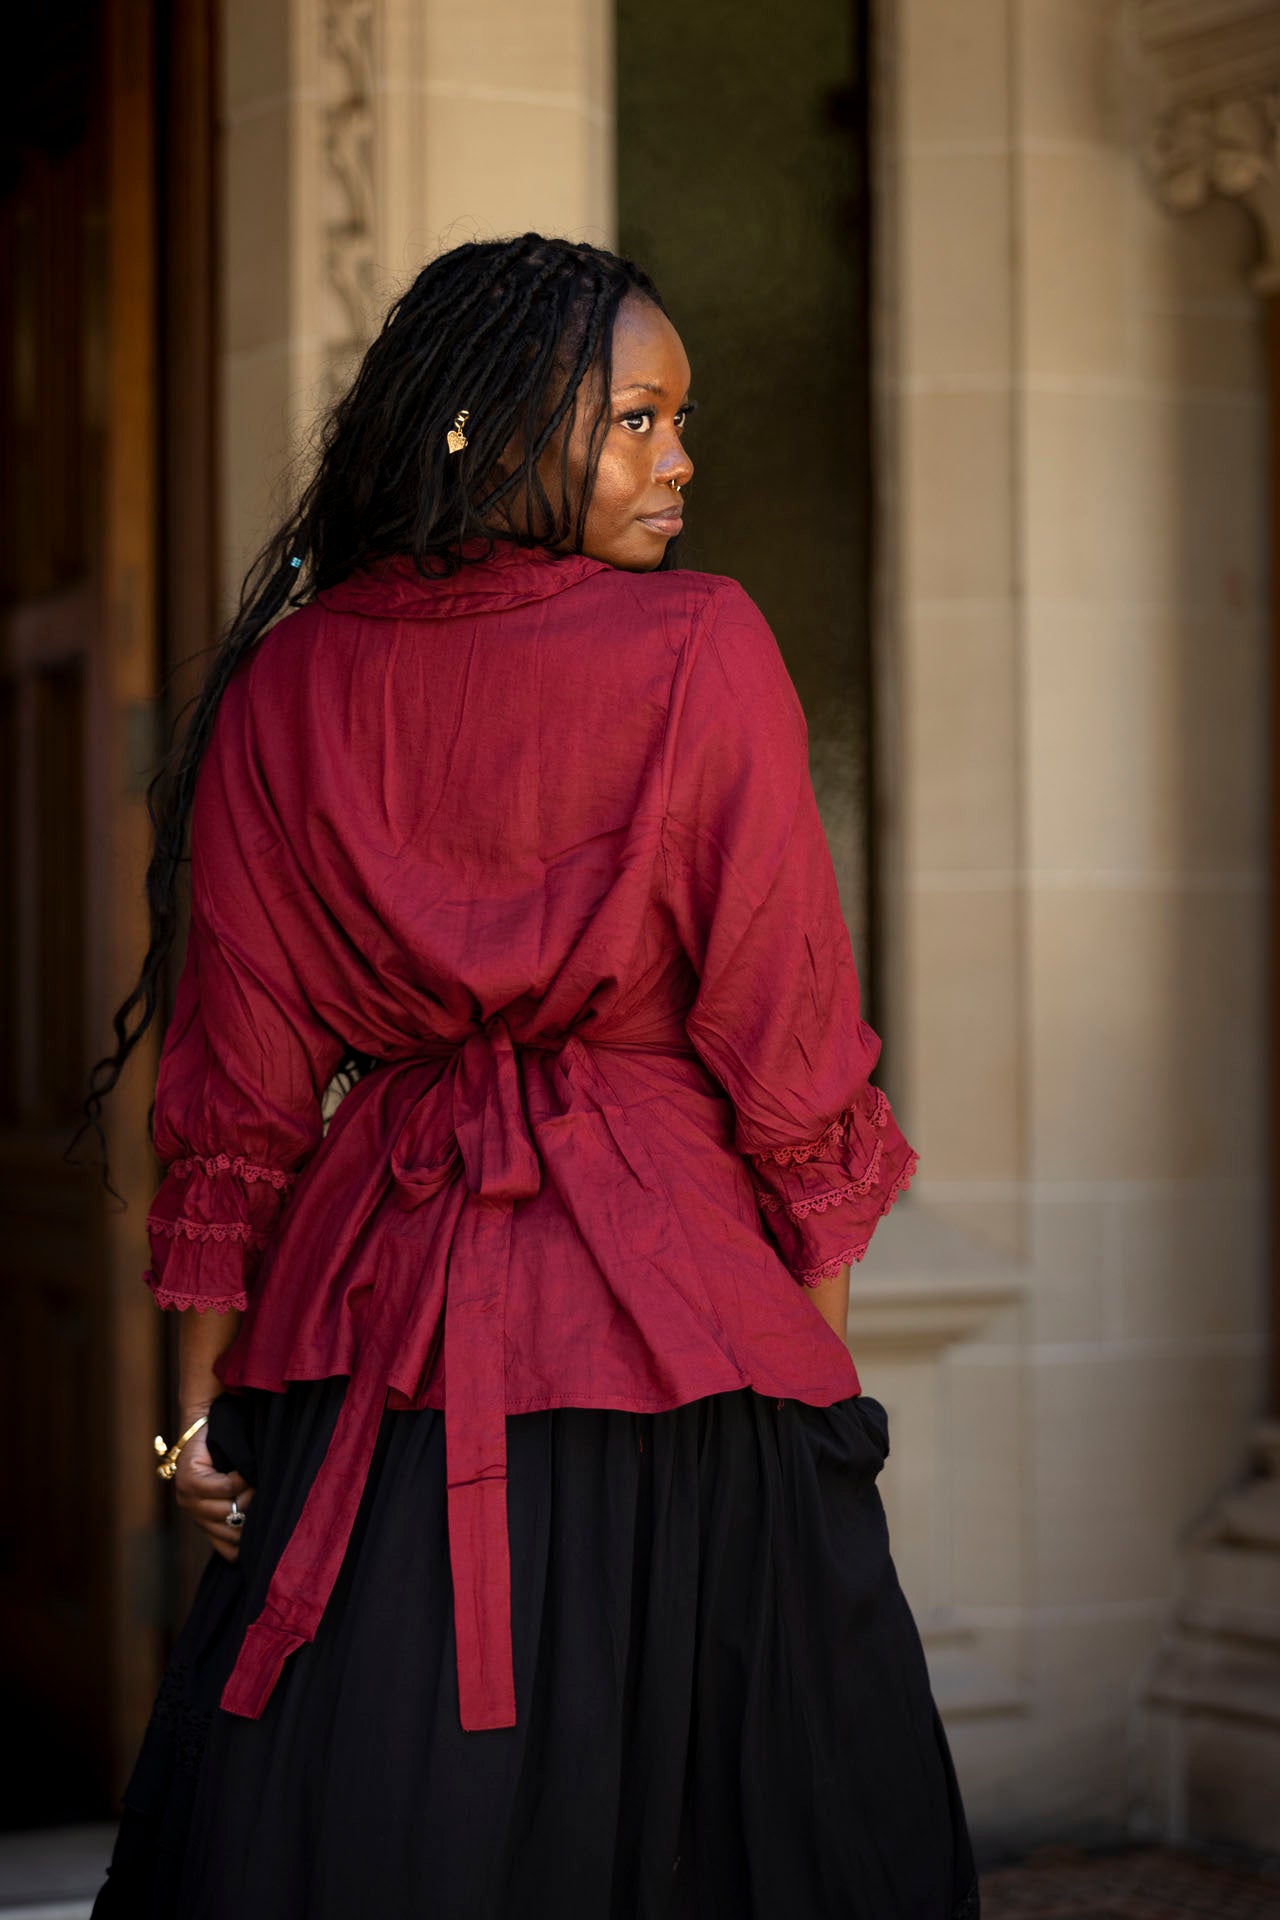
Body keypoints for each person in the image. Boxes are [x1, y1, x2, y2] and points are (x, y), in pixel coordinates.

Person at [81, 233, 981, 1918]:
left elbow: (240, 1092)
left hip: (366, 1340)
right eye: (639, 420)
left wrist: (198, 1416)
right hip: (684, 1348)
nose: (682, 460)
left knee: (373, 1839)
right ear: (493, 432)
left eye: (680, 420)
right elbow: (788, 1047)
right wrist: (823, 1392)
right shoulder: (702, 644)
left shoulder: (289, 682)